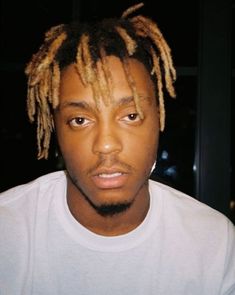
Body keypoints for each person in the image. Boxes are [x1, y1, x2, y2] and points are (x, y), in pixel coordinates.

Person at [0, 3, 234, 294]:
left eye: (131, 116)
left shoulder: (215, 243)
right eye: (80, 120)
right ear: (55, 129)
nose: (107, 145)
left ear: (159, 119)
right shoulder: (6, 230)